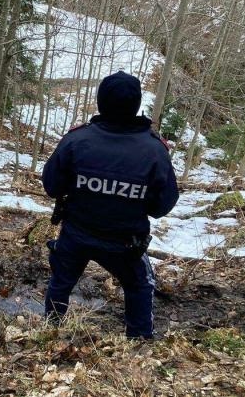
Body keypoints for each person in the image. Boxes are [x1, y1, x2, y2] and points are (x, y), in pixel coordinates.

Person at [42, 71, 179, 339]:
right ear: (137, 104)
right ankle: (138, 345)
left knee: (61, 281)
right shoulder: (154, 150)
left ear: (100, 101)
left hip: (77, 233)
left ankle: (49, 332)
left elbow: (51, 185)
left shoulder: (76, 139)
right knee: (140, 286)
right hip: (124, 242)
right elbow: (162, 206)